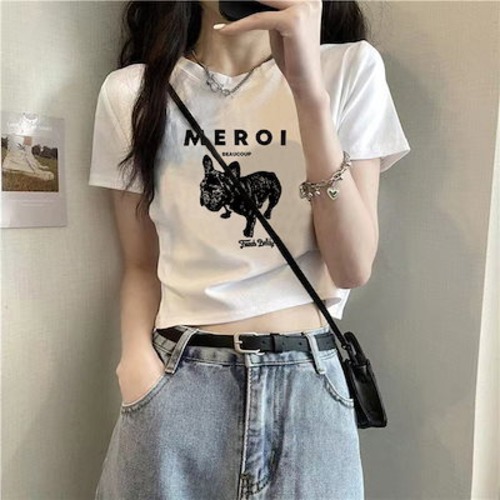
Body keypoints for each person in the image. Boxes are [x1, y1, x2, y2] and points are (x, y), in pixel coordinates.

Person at [88, 1, 411, 499]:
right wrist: (136, 366)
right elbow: (139, 263)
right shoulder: (132, 92)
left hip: (308, 388)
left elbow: (351, 266)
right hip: (178, 383)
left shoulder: (348, 68)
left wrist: (307, 91)